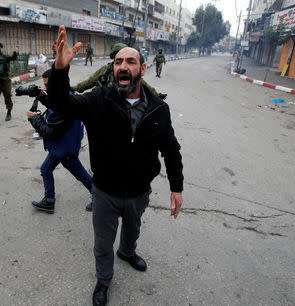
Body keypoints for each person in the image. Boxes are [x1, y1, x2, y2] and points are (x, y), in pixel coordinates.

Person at [47, 25, 183, 306]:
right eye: (118, 61)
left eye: (130, 61)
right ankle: (104, 280)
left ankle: (128, 252)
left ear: (142, 69)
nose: (123, 66)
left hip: (139, 192)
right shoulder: (99, 99)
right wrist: (60, 70)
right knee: (102, 243)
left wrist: (176, 188)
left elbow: (170, 148)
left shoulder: (159, 108)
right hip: (105, 192)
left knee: (133, 231)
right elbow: (62, 104)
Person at [20, 69, 93, 213]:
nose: (44, 88)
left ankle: (99, 197)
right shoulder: (65, 96)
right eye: (44, 85)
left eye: (47, 85)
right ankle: (49, 201)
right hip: (62, 146)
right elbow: (55, 105)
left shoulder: (65, 105)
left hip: (64, 148)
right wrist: (41, 96)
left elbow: (49, 132)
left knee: (80, 174)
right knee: (45, 169)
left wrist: (33, 118)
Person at [71, 43, 166, 100]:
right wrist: (73, 88)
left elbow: (143, 85)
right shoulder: (105, 70)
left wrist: (156, 95)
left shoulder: (106, 70)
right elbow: (89, 82)